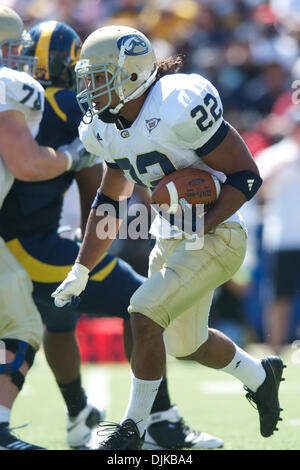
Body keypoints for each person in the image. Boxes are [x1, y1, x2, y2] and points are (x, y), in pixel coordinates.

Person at [51, 25, 285, 450]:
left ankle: (132, 431)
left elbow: (246, 175)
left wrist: (205, 224)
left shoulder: (177, 103)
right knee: (186, 344)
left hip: (220, 231)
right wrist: (81, 268)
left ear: (132, 74)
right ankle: (260, 376)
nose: (90, 88)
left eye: (100, 76)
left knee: (142, 313)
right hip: (171, 234)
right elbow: (111, 202)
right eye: (87, 77)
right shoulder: (103, 126)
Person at [0, 20, 223, 450]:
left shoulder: (20, 97)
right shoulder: (63, 101)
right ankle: (161, 422)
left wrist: (89, 245)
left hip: (27, 239)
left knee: (59, 319)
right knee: (138, 303)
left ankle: (79, 414)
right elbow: (94, 184)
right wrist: (97, 240)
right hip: (31, 242)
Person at [0, 7, 97, 450]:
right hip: (32, 244)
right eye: (14, 48)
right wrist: (75, 155)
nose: (21, 58)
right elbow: (29, 164)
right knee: (22, 322)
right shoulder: (10, 87)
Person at [255, 105, 300, 354]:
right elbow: (256, 189)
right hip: (282, 237)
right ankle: (275, 348)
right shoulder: (276, 155)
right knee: (278, 296)